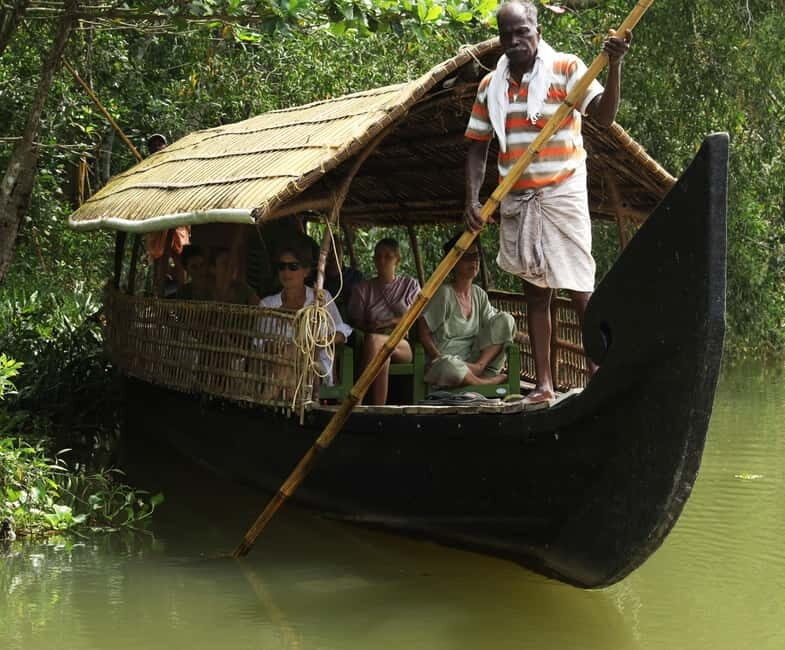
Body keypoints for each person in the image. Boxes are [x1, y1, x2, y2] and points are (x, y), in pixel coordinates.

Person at [463, 0, 631, 403]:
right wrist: (470, 199)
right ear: (500, 38)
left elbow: (603, 118)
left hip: (562, 191)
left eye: (523, 31)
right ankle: (543, 385)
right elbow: (475, 148)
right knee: (536, 293)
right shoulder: (492, 86)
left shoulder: (568, 69)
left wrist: (614, 65)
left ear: (537, 30)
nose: (515, 40)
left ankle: (599, 372)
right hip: (517, 196)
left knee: (580, 287)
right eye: (507, 34)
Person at [418, 235, 515, 388]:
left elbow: (495, 324)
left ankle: (478, 370)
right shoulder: (444, 294)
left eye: (476, 256)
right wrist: (436, 356)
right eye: (467, 257)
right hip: (449, 362)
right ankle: (483, 383)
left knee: (506, 319)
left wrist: (519, 334)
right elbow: (422, 329)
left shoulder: (479, 294)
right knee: (449, 366)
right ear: (453, 262)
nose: (474, 261)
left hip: (475, 362)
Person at [260, 240, 352, 386]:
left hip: (315, 369)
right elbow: (259, 342)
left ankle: (274, 397)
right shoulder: (267, 304)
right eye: (282, 267)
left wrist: (319, 342)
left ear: (306, 271)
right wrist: (277, 347)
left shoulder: (321, 298)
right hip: (276, 365)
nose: (286, 272)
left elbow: (341, 331)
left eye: (293, 267)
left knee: (296, 351)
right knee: (287, 355)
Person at [349, 238, 420, 405]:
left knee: (376, 342)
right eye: (378, 256)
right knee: (382, 353)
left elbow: (414, 316)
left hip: (401, 344)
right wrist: (371, 326)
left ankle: (356, 400)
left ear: (397, 259)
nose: (382, 260)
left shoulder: (409, 285)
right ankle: (379, 409)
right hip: (373, 344)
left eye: (388, 256)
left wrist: (388, 322)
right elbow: (356, 321)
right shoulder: (363, 289)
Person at [324, 238, 363, 316]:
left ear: (342, 253)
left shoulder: (355, 276)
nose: (333, 256)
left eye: (337, 252)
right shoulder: (317, 279)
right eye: (330, 252)